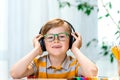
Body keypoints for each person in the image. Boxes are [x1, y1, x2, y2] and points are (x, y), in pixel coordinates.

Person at [10, 18, 98, 79]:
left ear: (71, 41)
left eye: (62, 36)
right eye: (50, 37)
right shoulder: (38, 64)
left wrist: (75, 49)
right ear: (42, 42)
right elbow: (15, 74)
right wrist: (36, 50)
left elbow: (92, 73)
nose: (56, 40)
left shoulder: (74, 65)